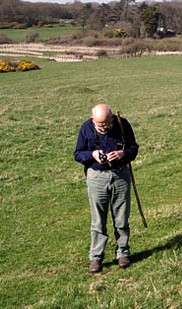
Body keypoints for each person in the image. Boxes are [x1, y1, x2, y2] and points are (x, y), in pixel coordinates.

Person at [74, 104, 139, 273]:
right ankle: (96, 258)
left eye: (106, 124)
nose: (103, 127)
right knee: (98, 221)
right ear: (92, 119)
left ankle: (123, 253)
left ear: (111, 118)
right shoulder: (86, 128)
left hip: (120, 176)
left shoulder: (122, 124)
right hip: (96, 178)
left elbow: (134, 148)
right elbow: (78, 153)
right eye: (99, 125)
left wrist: (122, 154)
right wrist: (92, 155)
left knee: (121, 219)